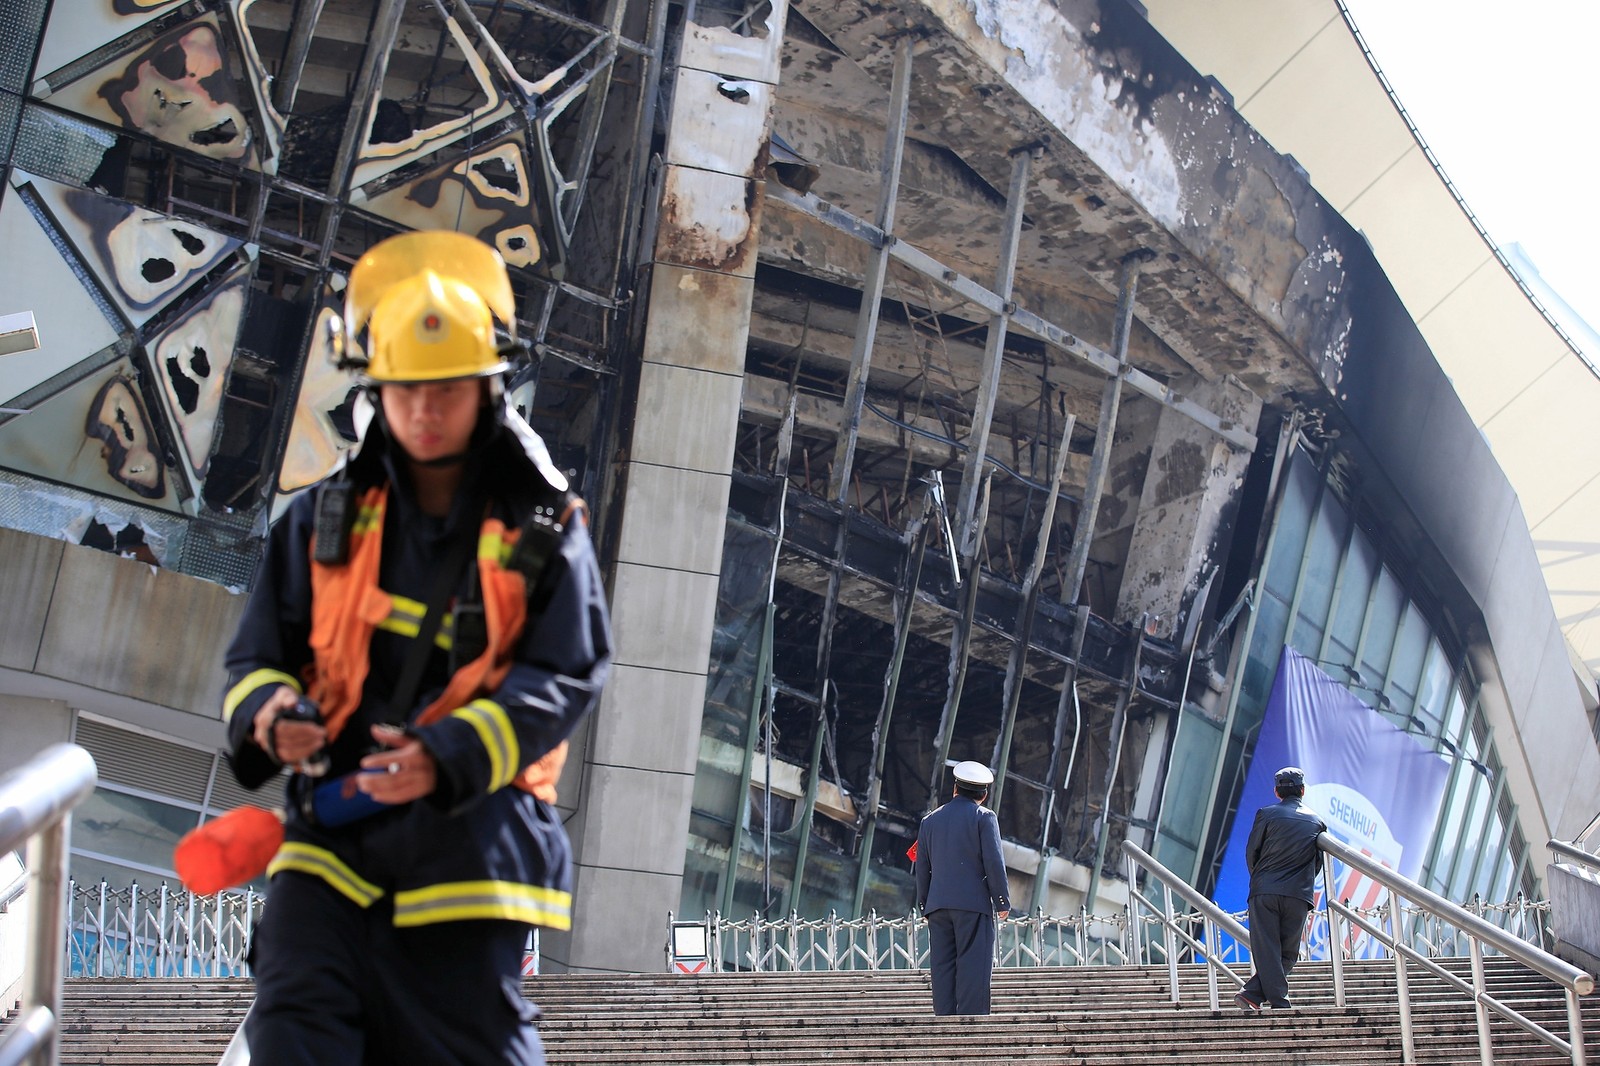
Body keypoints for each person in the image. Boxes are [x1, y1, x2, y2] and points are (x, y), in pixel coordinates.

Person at [220, 229, 612, 1064]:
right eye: (405, 392)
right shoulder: (320, 521)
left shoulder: (545, 530)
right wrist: (271, 716)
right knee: (291, 1028)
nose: (425, 412)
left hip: (470, 856)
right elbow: (254, 661)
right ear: (377, 394)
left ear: (487, 390)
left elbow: (567, 672)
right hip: (330, 847)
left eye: (447, 391)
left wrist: (446, 755)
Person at [914, 760, 1011, 1016]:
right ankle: (970, 1029)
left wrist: (924, 904)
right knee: (973, 967)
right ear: (984, 794)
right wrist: (1001, 900)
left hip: (938, 907)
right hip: (972, 905)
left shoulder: (929, 821)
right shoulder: (985, 817)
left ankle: (943, 1024)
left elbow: (922, 867)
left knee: (942, 967)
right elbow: (993, 861)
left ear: (955, 788)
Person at [1235, 765, 1327, 1012]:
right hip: (1298, 894)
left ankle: (1263, 997)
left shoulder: (1266, 814)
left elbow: (1252, 852)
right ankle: (1261, 996)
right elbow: (1317, 863)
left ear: (1277, 792)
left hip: (1265, 890)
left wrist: (1261, 878)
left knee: (1267, 949)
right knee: (1289, 953)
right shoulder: (1317, 822)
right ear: (1303, 790)